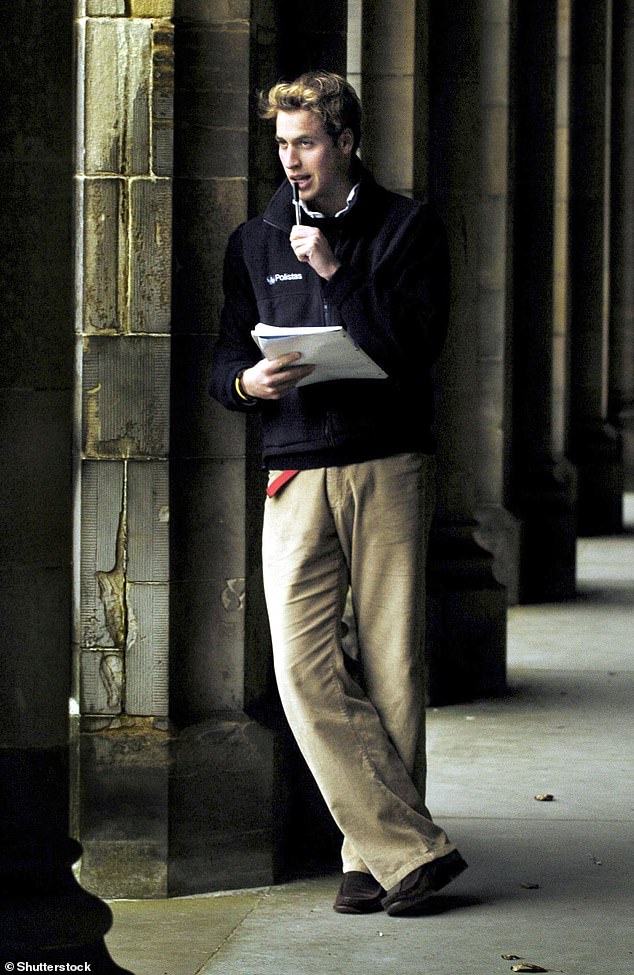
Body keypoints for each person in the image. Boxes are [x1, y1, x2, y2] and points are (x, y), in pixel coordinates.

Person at [210, 69, 467, 916]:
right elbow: (220, 361)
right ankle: (412, 848)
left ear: (347, 141)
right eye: (281, 144)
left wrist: (334, 270)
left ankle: (371, 860)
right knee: (300, 665)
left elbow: (412, 345)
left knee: (392, 661)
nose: (292, 160)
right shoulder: (254, 240)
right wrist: (247, 383)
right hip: (293, 464)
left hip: (387, 459)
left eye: (307, 142)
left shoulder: (406, 227)